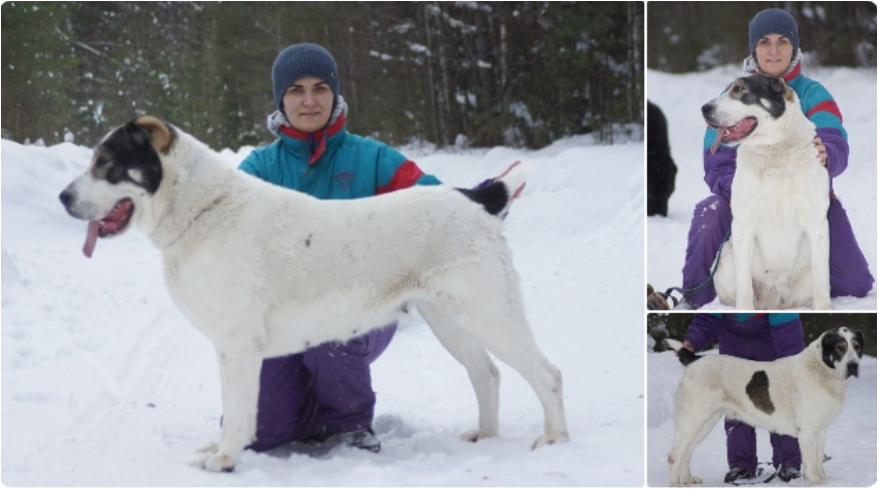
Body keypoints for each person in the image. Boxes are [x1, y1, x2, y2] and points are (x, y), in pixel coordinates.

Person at [236, 43, 442, 454]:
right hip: (283, 318)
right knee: (259, 432)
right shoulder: (260, 169)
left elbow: (434, 203)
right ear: (280, 99)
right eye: (295, 90)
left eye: (319, 88)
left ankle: (350, 424)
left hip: (364, 311)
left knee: (329, 324)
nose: (309, 100)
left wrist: (484, 201)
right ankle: (311, 401)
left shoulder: (372, 158)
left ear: (335, 94)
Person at [678, 8, 874, 309]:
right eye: (764, 42)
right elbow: (715, 155)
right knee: (712, 209)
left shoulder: (812, 92)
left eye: (782, 42)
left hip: (804, 197)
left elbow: (832, 135)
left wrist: (829, 153)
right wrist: (740, 190)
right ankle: (692, 299)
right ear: (753, 49)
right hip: (752, 197)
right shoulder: (733, 96)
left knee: (854, 284)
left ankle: (803, 288)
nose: (773, 51)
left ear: (794, 47)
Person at [680, 313, 805, 483]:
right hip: (733, 346)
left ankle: (788, 462)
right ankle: (741, 464)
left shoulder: (770, 295)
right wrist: (693, 340)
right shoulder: (726, 293)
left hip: (771, 344)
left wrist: (791, 361)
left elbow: (787, 328)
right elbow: (708, 317)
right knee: (736, 408)